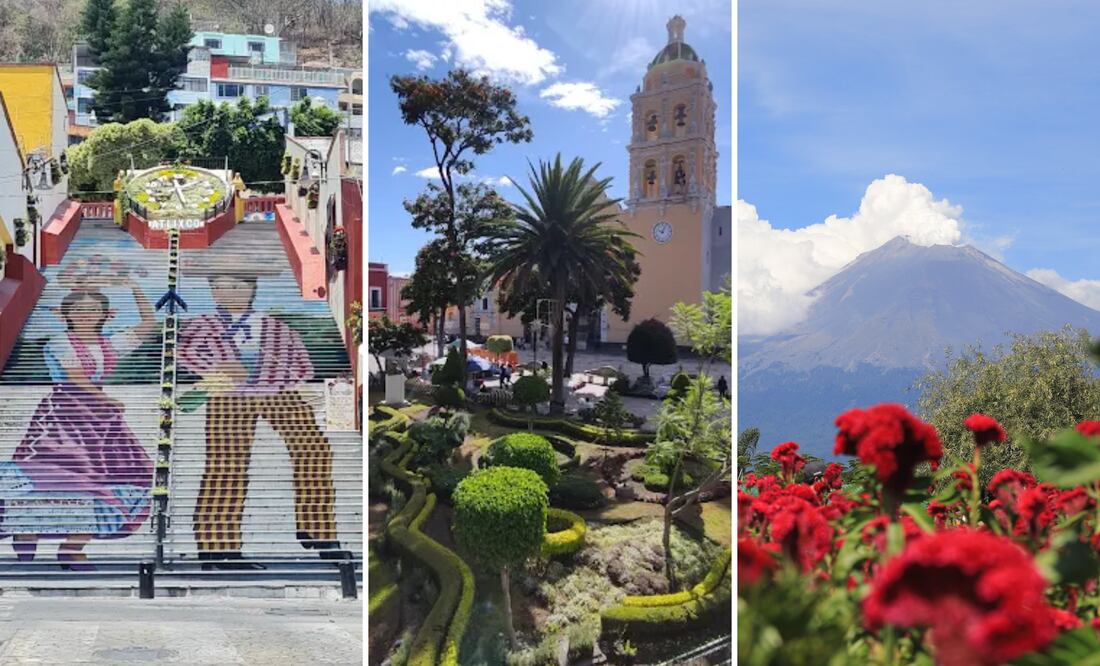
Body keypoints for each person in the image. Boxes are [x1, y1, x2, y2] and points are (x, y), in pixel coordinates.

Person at [178, 268, 346, 569]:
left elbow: (302, 363)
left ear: (251, 290)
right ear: (213, 292)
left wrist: (297, 383)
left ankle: (317, 530)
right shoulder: (202, 324)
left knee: (315, 449)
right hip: (228, 394)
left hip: (276, 391)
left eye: (236, 285)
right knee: (226, 465)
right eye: (220, 286)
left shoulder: (274, 326)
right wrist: (217, 369)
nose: (228, 292)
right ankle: (217, 548)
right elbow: (184, 352)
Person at [7, 282, 157, 570]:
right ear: (65, 314)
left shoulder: (110, 342)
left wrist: (137, 290)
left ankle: (72, 547)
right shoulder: (59, 342)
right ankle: (26, 532)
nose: (86, 314)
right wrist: (104, 397)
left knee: (105, 477)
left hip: (101, 420)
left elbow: (149, 324)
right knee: (54, 472)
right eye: (78, 309)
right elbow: (74, 375)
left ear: (106, 314)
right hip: (64, 415)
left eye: (93, 309)